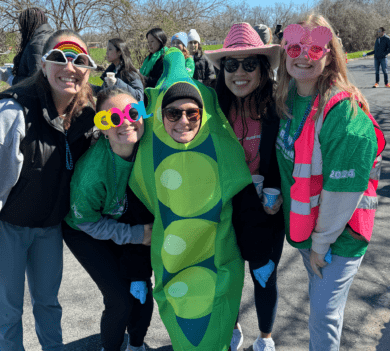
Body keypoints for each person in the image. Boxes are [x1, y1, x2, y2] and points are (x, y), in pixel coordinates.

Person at [0, 29, 97, 350]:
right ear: (43, 64)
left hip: (48, 229)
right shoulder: (10, 114)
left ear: (89, 71)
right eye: (59, 57)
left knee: (49, 304)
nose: (70, 67)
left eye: (80, 60)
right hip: (6, 228)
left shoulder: (87, 115)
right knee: (7, 313)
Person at [129, 47, 273, 351]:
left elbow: (245, 208)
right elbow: (138, 220)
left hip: (218, 263)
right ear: (161, 116)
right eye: (173, 113)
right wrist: (137, 272)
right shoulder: (146, 163)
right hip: (172, 270)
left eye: (191, 112)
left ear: (202, 114)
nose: (183, 120)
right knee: (186, 334)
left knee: (216, 331)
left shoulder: (222, 152)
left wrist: (259, 255)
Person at [275, 14, 385, 350]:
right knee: (319, 310)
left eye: (315, 47)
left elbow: (343, 192)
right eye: (294, 47)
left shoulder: (344, 113)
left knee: (323, 318)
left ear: (330, 54)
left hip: (337, 239)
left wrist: (320, 244)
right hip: (309, 232)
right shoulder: (290, 98)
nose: (303, 55)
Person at [206, 22, 283, 351]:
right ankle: (233, 325)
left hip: (267, 212)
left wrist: (276, 190)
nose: (240, 72)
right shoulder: (211, 108)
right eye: (231, 65)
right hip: (225, 211)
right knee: (228, 275)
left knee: (264, 276)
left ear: (263, 69)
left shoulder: (279, 108)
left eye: (249, 64)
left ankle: (265, 337)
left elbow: (288, 153)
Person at [62, 87, 154, 351]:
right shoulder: (92, 173)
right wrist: (136, 234)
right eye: (112, 118)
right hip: (83, 229)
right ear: (101, 127)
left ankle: (136, 345)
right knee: (119, 300)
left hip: (122, 220)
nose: (125, 122)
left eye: (132, 113)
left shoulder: (148, 148)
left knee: (141, 289)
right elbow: (87, 222)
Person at [0, 8, 54, 86]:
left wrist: (10, 79)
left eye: (22, 25)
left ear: (29, 24)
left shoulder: (37, 43)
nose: (21, 30)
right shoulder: (50, 37)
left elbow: (36, 83)